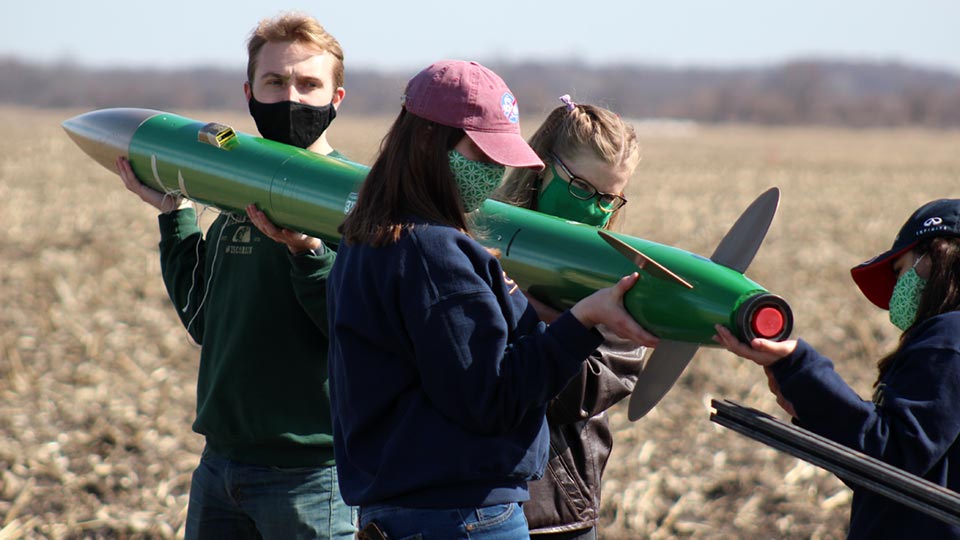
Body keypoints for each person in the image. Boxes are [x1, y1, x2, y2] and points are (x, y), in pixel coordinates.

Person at [327, 60, 658, 539]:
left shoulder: (366, 238)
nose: (492, 172)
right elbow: (492, 399)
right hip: (464, 516)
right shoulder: (437, 251)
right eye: (481, 156)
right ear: (426, 142)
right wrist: (580, 320)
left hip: (403, 508)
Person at [114, 12, 354, 539]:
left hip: (314, 478)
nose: (291, 97)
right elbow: (205, 322)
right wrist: (174, 215)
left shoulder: (355, 204)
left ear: (336, 98)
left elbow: (357, 331)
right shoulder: (235, 196)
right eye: (275, 82)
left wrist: (309, 251)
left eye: (309, 84)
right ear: (250, 92)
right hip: (220, 468)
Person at [714, 199, 960, 539]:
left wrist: (800, 366)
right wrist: (808, 402)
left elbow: (892, 458)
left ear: (937, 256)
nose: (897, 288)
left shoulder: (950, 339)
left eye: (900, 269)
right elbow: (892, 472)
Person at [495, 95, 644, 539]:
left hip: (557, 511)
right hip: (467, 502)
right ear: (540, 166)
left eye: (609, 199)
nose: (594, 209)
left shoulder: (622, 281)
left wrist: (520, 305)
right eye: (581, 188)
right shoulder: (476, 239)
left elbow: (576, 395)